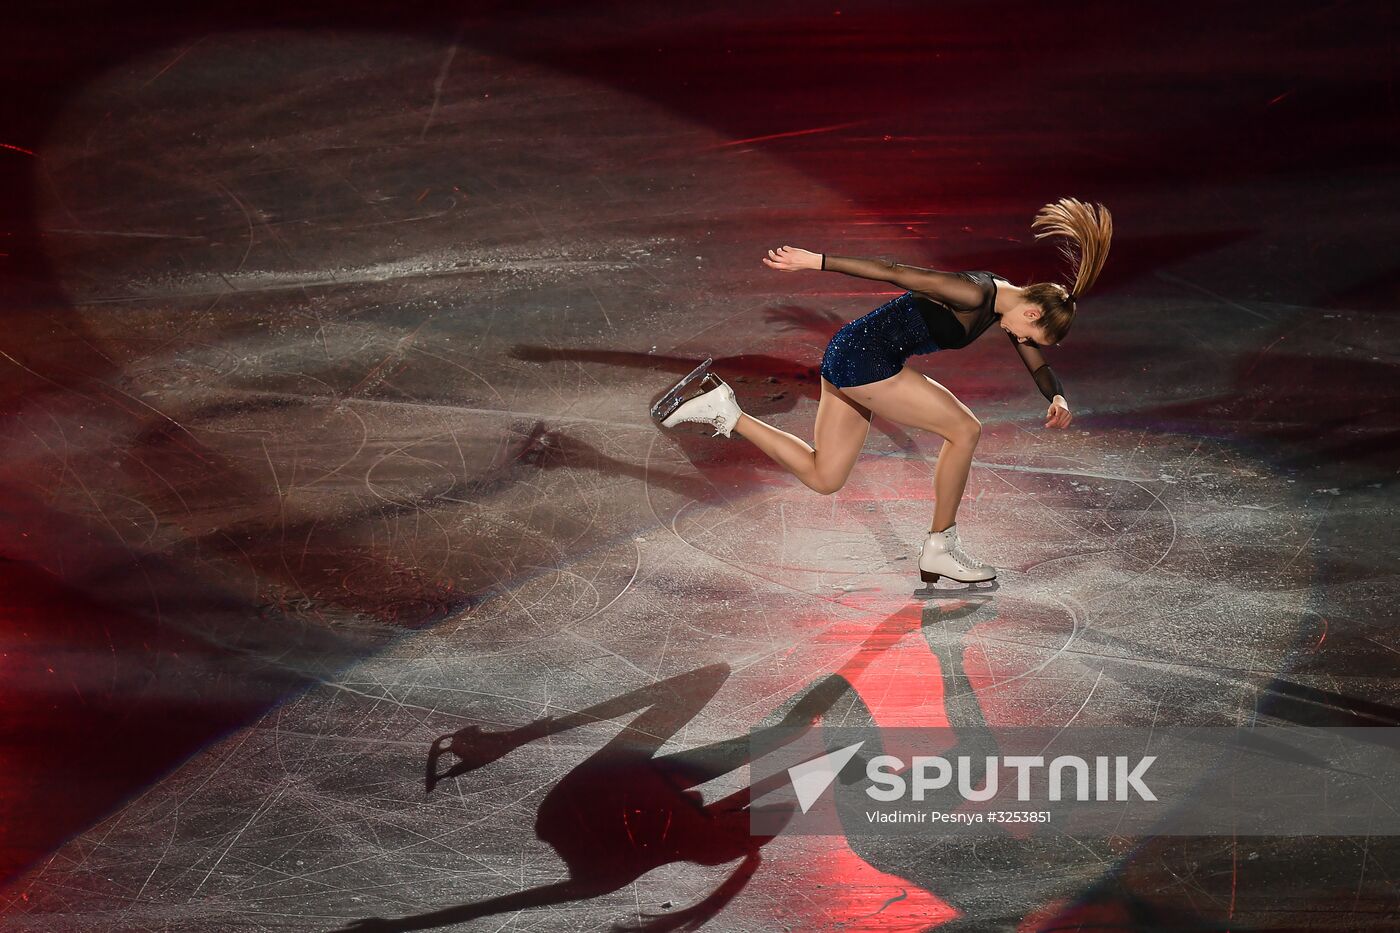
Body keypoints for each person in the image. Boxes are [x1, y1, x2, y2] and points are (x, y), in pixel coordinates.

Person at [652, 197, 1112, 588]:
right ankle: (940, 546)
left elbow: (1038, 364)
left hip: (854, 354)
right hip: (865, 361)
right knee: (965, 430)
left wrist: (1057, 396)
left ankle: (725, 411)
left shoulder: (1008, 311)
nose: (1025, 343)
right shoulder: (973, 293)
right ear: (1032, 314)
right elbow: (894, 271)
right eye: (1032, 335)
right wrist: (816, 261)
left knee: (824, 476)